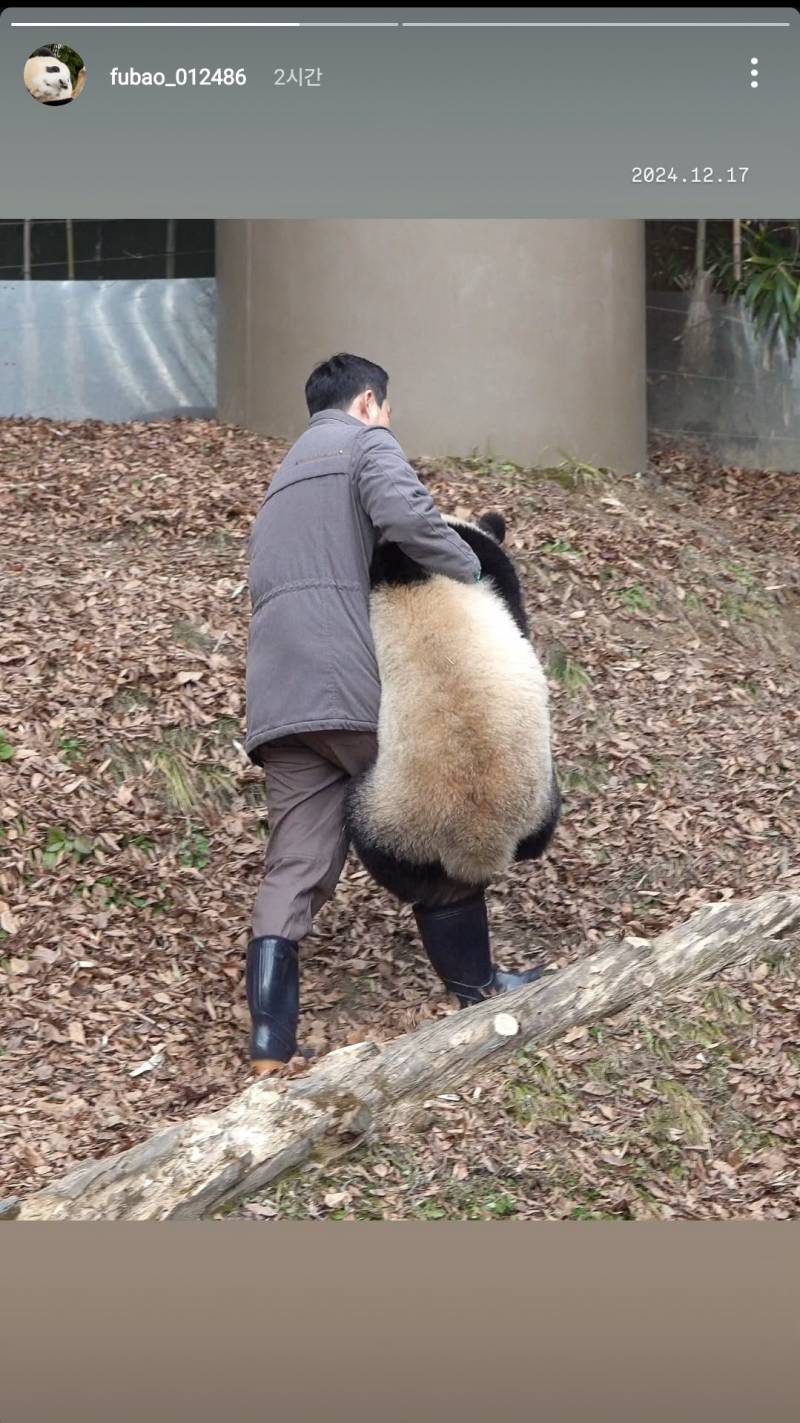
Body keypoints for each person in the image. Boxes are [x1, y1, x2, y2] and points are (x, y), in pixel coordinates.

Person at [244, 353, 541, 1072]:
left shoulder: (281, 483)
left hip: (279, 701)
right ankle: (477, 988)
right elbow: (407, 516)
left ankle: (268, 1045)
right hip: (347, 684)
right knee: (446, 814)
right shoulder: (366, 442)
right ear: (370, 401)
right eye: (389, 410)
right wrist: (471, 568)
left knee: (296, 863)